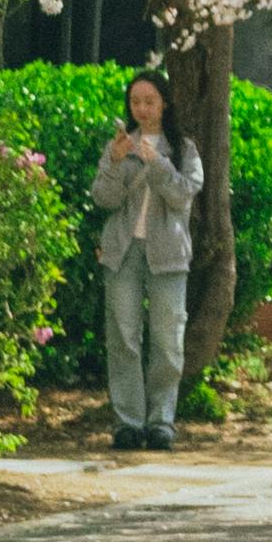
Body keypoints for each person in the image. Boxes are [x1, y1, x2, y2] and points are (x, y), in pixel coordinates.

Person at [89, 77, 201, 451]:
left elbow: (183, 196)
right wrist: (116, 162)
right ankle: (128, 422)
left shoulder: (183, 149)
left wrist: (158, 163)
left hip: (168, 254)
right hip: (123, 251)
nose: (141, 108)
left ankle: (161, 422)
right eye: (135, 101)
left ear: (164, 103)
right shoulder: (119, 145)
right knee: (123, 337)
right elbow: (103, 198)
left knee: (168, 340)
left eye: (149, 101)